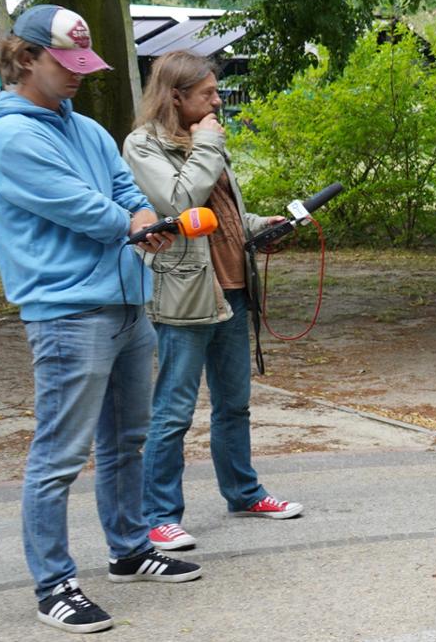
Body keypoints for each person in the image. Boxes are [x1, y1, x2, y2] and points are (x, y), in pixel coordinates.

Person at [0, 5, 202, 634]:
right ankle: (53, 585)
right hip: (68, 312)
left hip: (127, 304)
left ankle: (128, 550)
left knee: (126, 441)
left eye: (83, 63)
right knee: (59, 455)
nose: (78, 75)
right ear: (25, 59)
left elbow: (126, 194)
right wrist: (135, 226)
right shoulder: (10, 135)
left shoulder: (89, 128)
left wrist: (141, 222)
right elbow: (84, 209)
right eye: (65, 63)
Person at [123, 51, 303, 552]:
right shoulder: (144, 145)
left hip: (232, 290)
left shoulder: (204, 143)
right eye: (207, 94)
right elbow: (179, 205)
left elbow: (219, 216)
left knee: (234, 404)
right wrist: (205, 144)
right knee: (174, 410)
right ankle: (159, 516)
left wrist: (260, 225)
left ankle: (243, 492)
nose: (217, 102)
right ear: (175, 96)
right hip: (186, 297)